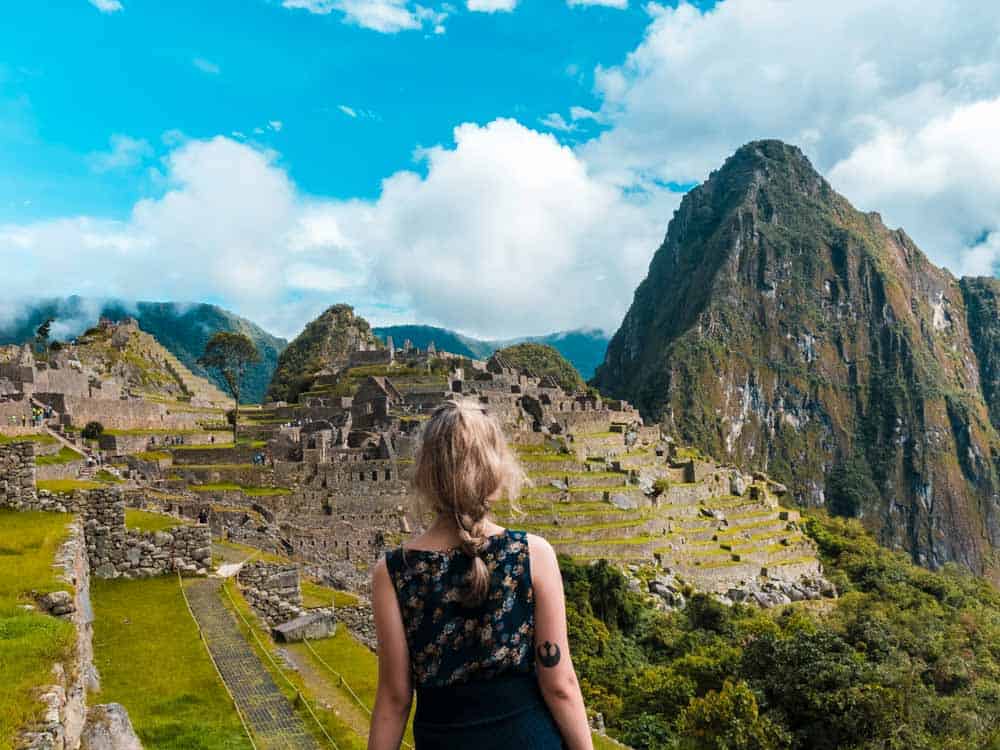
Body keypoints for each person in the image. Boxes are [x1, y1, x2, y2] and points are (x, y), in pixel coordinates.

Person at [369, 400, 592, 750]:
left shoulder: (394, 572)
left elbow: (395, 699)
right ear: (494, 470)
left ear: (427, 473)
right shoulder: (532, 555)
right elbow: (559, 683)